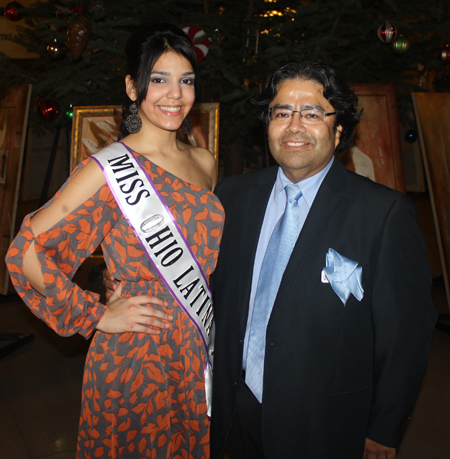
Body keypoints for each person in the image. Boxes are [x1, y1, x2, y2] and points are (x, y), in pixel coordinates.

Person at [6, 23, 223, 459]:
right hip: (136, 353)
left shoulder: (205, 161)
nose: (175, 95)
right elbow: (25, 249)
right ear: (132, 86)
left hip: (195, 347)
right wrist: (95, 316)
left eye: (186, 81)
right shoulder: (105, 171)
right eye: (158, 79)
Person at [209, 58, 437, 459]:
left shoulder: (382, 214)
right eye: (282, 113)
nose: (294, 126)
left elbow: (406, 337)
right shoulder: (232, 197)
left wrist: (384, 429)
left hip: (325, 424)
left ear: (339, 129)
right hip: (235, 415)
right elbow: (207, 286)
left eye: (312, 113)